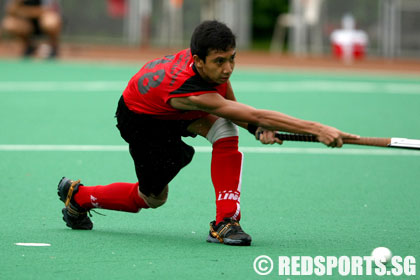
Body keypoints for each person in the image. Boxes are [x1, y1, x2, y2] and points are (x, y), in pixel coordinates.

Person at [57, 20, 359, 246]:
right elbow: (251, 112)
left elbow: (233, 107)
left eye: (232, 58)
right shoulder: (191, 90)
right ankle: (80, 197)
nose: (228, 69)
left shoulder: (206, 67)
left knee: (225, 129)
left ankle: (226, 222)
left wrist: (255, 129)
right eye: (220, 61)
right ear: (198, 60)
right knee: (151, 198)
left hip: (166, 106)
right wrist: (318, 130)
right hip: (142, 120)